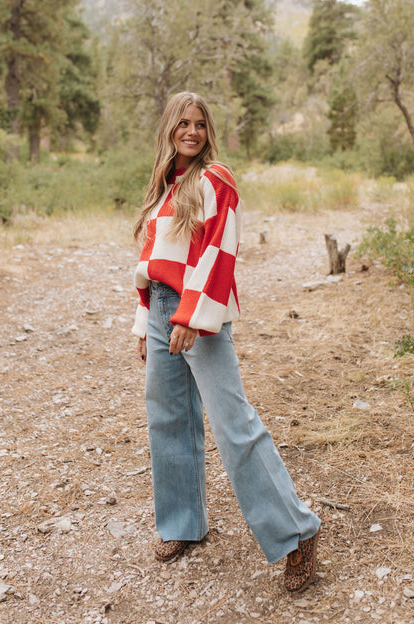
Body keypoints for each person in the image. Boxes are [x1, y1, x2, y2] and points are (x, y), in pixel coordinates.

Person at [132, 91, 321, 593]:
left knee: (233, 423)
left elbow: (218, 252)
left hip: (199, 314)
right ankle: (181, 524)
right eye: (182, 123)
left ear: (207, 131)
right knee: (167, 417)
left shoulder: (217, 179)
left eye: (199, 124)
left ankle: (298, 533)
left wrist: (192, 317)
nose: (191, 132)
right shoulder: (165, 185)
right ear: (169, 128)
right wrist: (145, 321)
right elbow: (152, 261)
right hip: (162, 309)